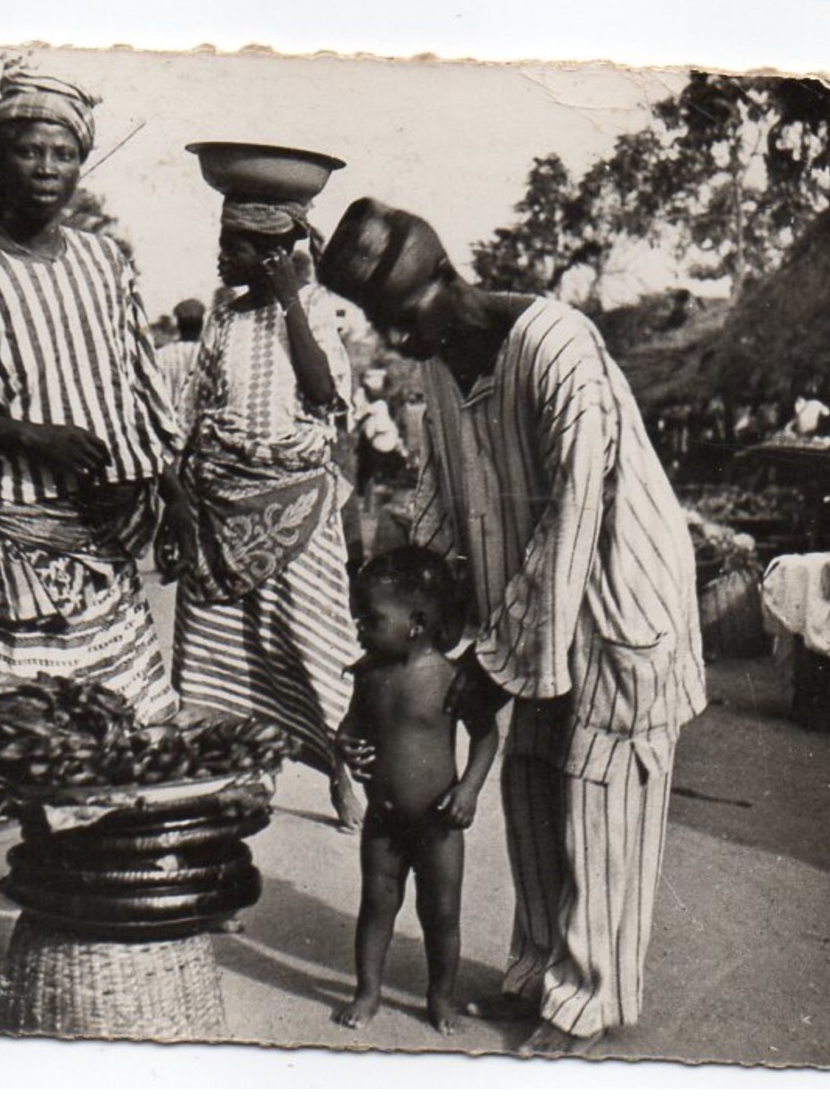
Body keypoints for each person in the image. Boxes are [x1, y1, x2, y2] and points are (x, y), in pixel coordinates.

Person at [319, 198, 707, 1054]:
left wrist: (495, 654)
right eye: (382, 327)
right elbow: (437, 503)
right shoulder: (438, 368)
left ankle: (587, 1003)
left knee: (600, 804)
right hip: (528, 614)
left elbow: (574, 510)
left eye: (402, 318)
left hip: (610, 601)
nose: (397, 341)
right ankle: (537, 974)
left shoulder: (556, 344)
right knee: (531, 788)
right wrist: (409, 610)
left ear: (446, 279)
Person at [0, 73, 182, 962]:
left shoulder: (103, 260)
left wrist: (140, 479)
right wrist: (30, 436)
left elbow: (137, 379)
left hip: (93, 524)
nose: (48, 167)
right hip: (4, 525)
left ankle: (91, 871)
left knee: (123, 698)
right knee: (1, 708)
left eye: (63, 152)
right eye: (29, 149)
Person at [160, 156, 364, 830]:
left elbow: (322, 393)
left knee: (308, 641)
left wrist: (287, 301)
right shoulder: (220, 319)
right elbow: (195, 411)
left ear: (276, 252)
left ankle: (341, 766)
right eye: (222, 242)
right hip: (220, 506)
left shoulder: (311, 311)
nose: (223, 257)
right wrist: (181, 502)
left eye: (237, 246)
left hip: (296, 507)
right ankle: (241, 771)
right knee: (225, 651)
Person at [333, 546, 497, 1034]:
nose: (359, 626)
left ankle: (440, 997)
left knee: (441, 913)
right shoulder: (369, 674)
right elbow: (351, 724)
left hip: (437, 823)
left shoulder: (449, 680)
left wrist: (468, 790)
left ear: (417, 622)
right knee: (376, 904)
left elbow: (487, 736)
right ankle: (367, 991)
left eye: (370, 618)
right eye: (358, 615)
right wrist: (346, 745)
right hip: (383, 821)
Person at [155, 298, 206, 417]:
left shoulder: (162, 354)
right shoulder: (209, 353)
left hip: (170, 418)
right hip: (200, 420)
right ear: (201, 324)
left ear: (178, 324)